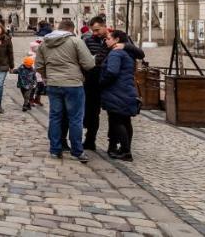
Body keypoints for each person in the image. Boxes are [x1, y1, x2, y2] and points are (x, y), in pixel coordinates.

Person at [81, 15, 145, 152]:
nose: (95, 33)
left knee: (113, 115)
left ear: (105, 26)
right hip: (92, 82)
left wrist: (125, 45)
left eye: (97, 29)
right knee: (92, 113)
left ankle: (113, 144)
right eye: (93, 30)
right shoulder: (88, 40)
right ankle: (90, 140)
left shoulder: (118, 38)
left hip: (111, 83)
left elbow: (140, 54)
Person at [37, 18, 95, 162]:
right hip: (73, 84)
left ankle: (55, 150)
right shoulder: (76, 41)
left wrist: (47, 76)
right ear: (71, 29)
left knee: (55, 117)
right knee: (75, 118)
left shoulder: (45, 43)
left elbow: (38, 65)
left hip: (53, 84)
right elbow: (88, 64)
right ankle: (77, 151)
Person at [100, 29, 140, 160]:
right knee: (125, 121)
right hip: (127, 90)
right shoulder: (127, 53)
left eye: (108, 38)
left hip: (116, 91)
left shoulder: (115, 53)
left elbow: (112, 72)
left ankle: (126, 151)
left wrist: (102, 82)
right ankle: (125, 149)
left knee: (117, 121)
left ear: (117, 40)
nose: (106, 40)